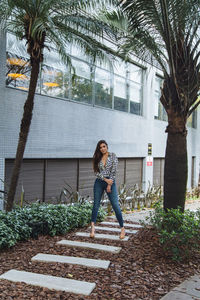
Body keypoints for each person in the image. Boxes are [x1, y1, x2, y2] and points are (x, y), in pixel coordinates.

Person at [90, 140, 125, 239]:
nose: (102, 149)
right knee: (96, 204)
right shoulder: (98, 157)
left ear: (107, 147)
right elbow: (96, 172)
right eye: (100, 147)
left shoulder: (113, 156)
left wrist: (109, 183)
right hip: (99, 182)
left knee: (115, 205)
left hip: (111, 183)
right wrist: (105, 180)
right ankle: (92, 227)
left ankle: (122, 228)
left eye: (104, 146)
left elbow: (114, 171)